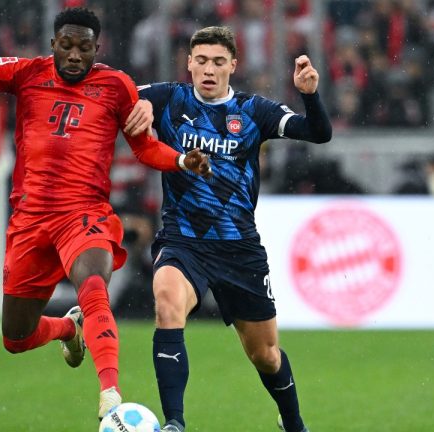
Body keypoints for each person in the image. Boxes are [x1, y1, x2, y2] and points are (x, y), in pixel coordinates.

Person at [0, 8, 211, 420]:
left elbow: (144, 148)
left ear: (97, 49)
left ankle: (110, 394)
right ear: (53, 45)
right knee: (16, 337)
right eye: (66, 45)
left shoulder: (116, 86)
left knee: (94, 282)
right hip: (30, 220)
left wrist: (181, 160)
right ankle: (67, 328)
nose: (75, 55)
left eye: (84, 47)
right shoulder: (26, 73)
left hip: (83, 214)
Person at [128, 26, 331, 432]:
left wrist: (309, 95)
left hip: (239, 250)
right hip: (183, 241)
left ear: (233, 66)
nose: (209, 69)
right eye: (201, 60)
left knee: (266, 356)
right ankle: (174, 422)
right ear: (189, 63)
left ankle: (293, 423)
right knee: (167, 305)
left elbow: (319, 133)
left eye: (218, 62)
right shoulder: (168, 98)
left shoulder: (253, 111)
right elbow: (111, 95)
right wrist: (136, 104)